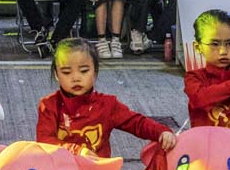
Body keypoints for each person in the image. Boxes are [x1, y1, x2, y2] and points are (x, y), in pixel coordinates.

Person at [37, 38, 175, 156]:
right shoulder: (49, 105)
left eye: (84, 71)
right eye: (66, 72)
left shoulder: (107, 105)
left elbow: (137, 123)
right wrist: (77, 151)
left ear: (95, 72)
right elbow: (44, 142)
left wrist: (162, 131)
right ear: (56, 74)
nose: (76, 78)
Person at [184, 9, 230, 130]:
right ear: (198, 47)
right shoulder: (194, 77)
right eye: (214, 44)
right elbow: (199, 99)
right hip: (207, 147)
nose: (223, 51)